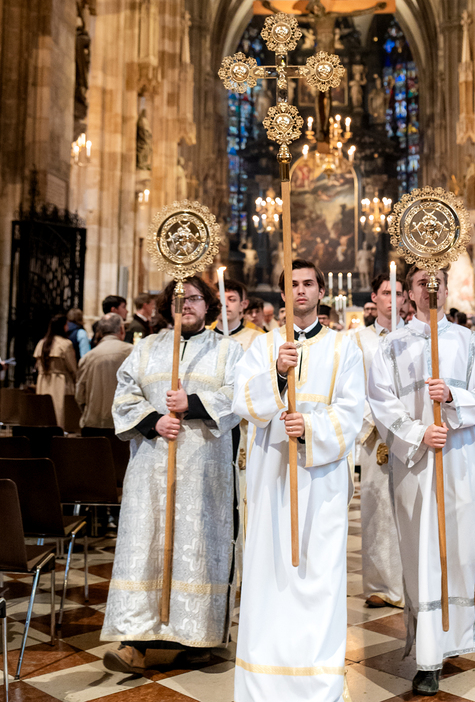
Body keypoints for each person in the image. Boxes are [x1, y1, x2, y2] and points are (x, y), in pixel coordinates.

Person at [368, 266, 475, 697]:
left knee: (459, 552)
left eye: (437, 282)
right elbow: (381, 402)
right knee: (422, 552)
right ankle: (427, 655)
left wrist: (453, 398)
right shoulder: (391, 346)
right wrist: (418, 433)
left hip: (459, 459)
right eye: (421, 283)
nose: (430, 289)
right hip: (415, 464)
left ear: (446, 290)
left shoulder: (470, 343)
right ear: (409, 293)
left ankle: (451, 637)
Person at [232, 259, 365, 702]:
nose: (301, 290)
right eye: (293, 284)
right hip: (272, 477)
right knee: (269, 575)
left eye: (309, 283)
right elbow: (241, 401)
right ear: (283, 295)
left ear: (321, 291)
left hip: (321, 481)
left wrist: (309, 426)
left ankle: (318, 682)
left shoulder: (344, 347)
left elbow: (353, 411)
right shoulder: (263, 346)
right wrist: (276, 374)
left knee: (318, 576)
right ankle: (265, 681)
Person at [101, 276, 243, 675]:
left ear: (208, 305)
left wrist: (192, 403)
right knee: (145, 545)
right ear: (168, 306)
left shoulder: (228, 350)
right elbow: (124, 395)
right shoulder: (146, 347)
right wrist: (154, 421)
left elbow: (238, 396)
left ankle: (198, 638)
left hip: (204, 470)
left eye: (195, 298)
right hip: (151, 467)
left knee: (197, 549)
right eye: (180, 299)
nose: (188, 305)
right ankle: (134, 642)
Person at [354, 273, 405, 609]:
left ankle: (410, 582)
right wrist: (375, 426)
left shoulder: (416, 336)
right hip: (376, 436)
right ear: (375, 297)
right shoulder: (359, 340)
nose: (393, 299)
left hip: (411, 434)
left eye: (399, 293)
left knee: (409, 507)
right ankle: (380, 584)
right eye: (387, 292)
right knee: (377, 509)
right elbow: (353, 387)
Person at [75, 314, 132, 432]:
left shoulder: (87, 357)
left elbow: (80, 395)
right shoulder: (133, 352)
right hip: (126, 425)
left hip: (93, 425)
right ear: (121, 329)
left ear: (100, 332)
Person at [33, 314, 77, 429]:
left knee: (45, 414)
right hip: (60, 383)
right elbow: (72, 368)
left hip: (43, 382)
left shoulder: (41, 343)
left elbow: (37, 365)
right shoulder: (65, 344)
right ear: (63, 326)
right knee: (59, 414)